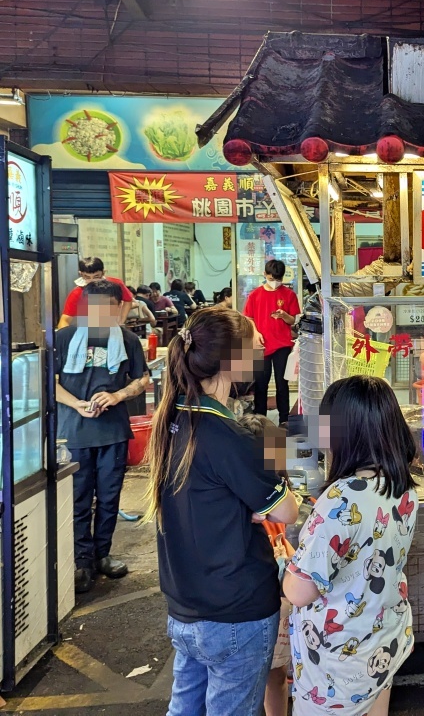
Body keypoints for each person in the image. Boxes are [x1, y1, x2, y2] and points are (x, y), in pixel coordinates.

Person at [144, 307, 300, 716]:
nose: (262, 348)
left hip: (185, 608)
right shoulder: (228, 435)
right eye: (254, 343)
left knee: (185, 709)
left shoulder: (174, 419)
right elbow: (287, 511)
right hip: (236, 612)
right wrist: (266, 481)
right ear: (232, 360)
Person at [284, 375, 419, 716]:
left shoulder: (339, 498)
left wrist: (285, 566)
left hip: (336, 662)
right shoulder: (402, 486)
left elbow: (300, 591)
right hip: (383, 640)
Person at [54, 280, 150, 593]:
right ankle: (82, 561)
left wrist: (118, 395)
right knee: (80, 499)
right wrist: (76, 404)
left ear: (115, 308)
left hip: (113, 431)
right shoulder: (64, 338)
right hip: (75, 432)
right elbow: (49, 383)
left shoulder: (127, 339)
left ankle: (102, 555)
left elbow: (142, 379)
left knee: (109, 499)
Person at [238, 414, 295, 716]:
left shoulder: (238, 496)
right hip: (266, 602)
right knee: (273, 678)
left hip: (260, 602)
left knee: (259, 679)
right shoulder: (275, 495)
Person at [243, 259, 301, 427]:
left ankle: (284, 419)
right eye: (271, 278)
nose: (275, 282)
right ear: (265, 275)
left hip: (282, 345)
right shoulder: (255, 295)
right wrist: (255, 332)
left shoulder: (289, 295)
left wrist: (284, 316)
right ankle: (260, 419)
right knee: (261, 383)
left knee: (282, 384)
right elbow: (248, 318)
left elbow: (292, 320)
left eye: (278, 279)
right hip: (262, 345)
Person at [58, 257, 133, 328]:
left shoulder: (116, 284)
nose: (92, 281)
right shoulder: (77, 293)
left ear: (103, 273)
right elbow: (65, 320)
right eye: (87, 277)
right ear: (81, 274)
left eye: (96, 277)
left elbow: (128, 300)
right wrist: (65, 335)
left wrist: (121, 321)